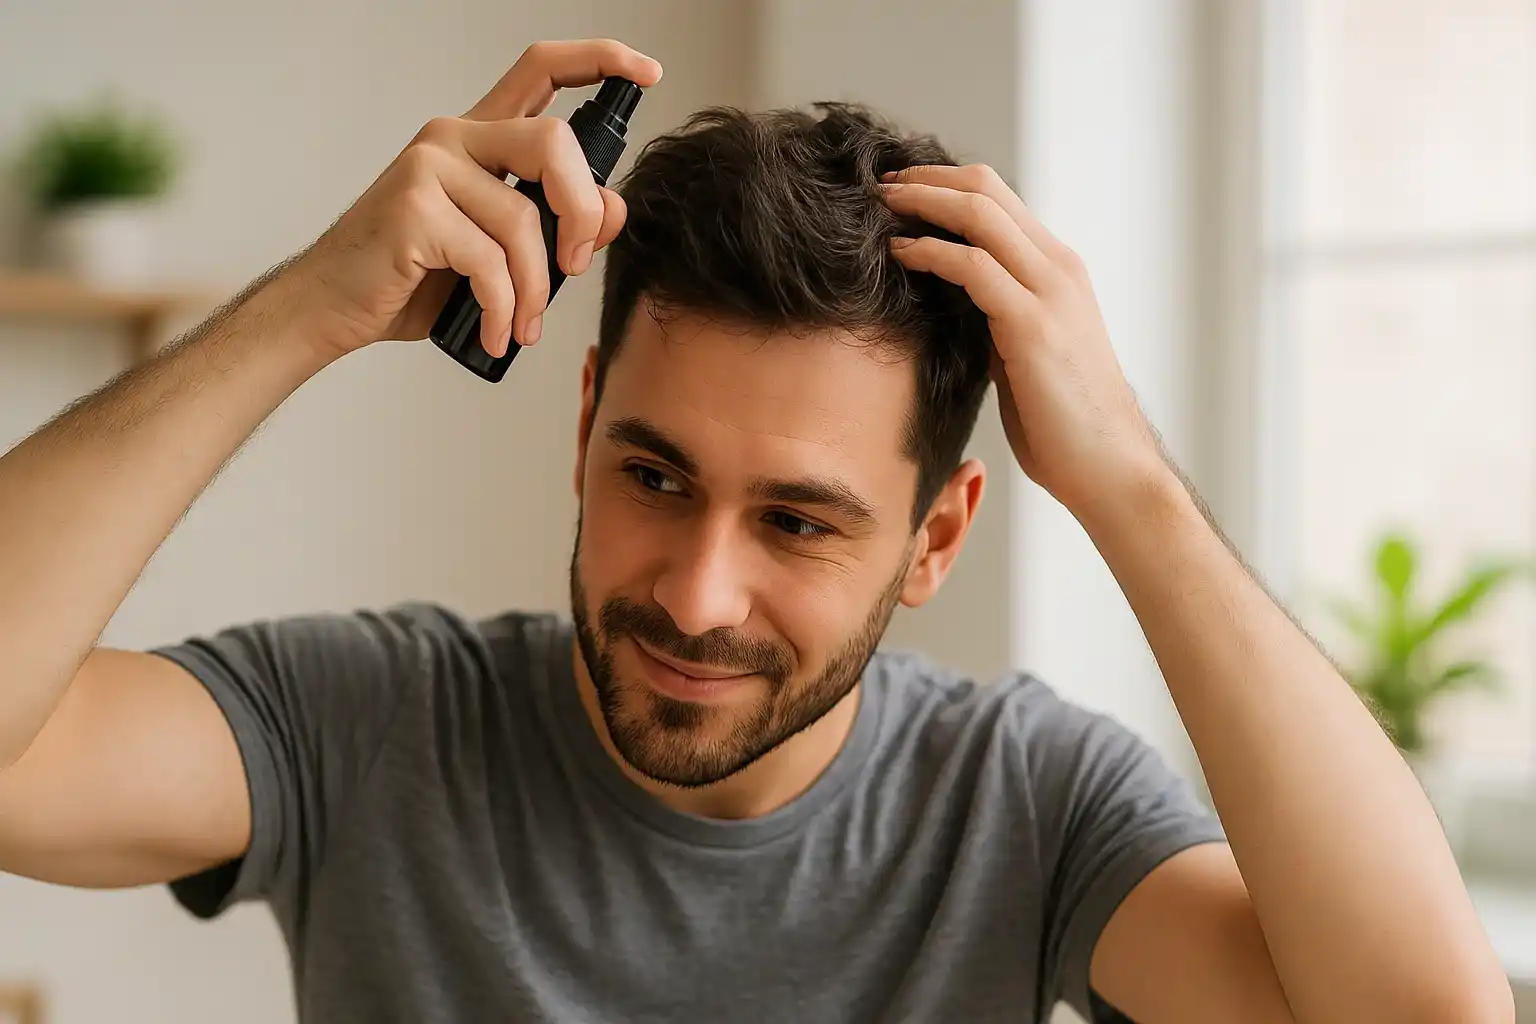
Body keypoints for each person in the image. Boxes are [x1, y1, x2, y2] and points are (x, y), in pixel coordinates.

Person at [0, 38, 1513, 1024]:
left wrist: (1126, 482)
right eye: (654, 477)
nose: (697, 593)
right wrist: (299, 314)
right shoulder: (370, 726)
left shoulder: (1025, 808)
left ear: (936, 540)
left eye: (799, 521)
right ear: (586, 425)